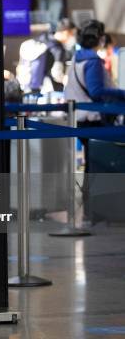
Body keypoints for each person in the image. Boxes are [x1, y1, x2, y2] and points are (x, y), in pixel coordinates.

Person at [64, 19, 125, 218]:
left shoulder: (77, 59)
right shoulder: (92, 61)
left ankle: (92, 206)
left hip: (80, 118)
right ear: (99, 38)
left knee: (92, 163)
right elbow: (96, 91)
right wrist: (121, 93)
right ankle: (99, 206)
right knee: (99, 163)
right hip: (93, 118)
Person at [17, 18, 77, 94]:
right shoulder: (58, 49)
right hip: (46, 90)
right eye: (73, 34)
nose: (73, 37)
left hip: (25, 86)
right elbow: (56, 73)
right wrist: (66, 80)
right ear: (66, 32)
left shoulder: (42, 38)